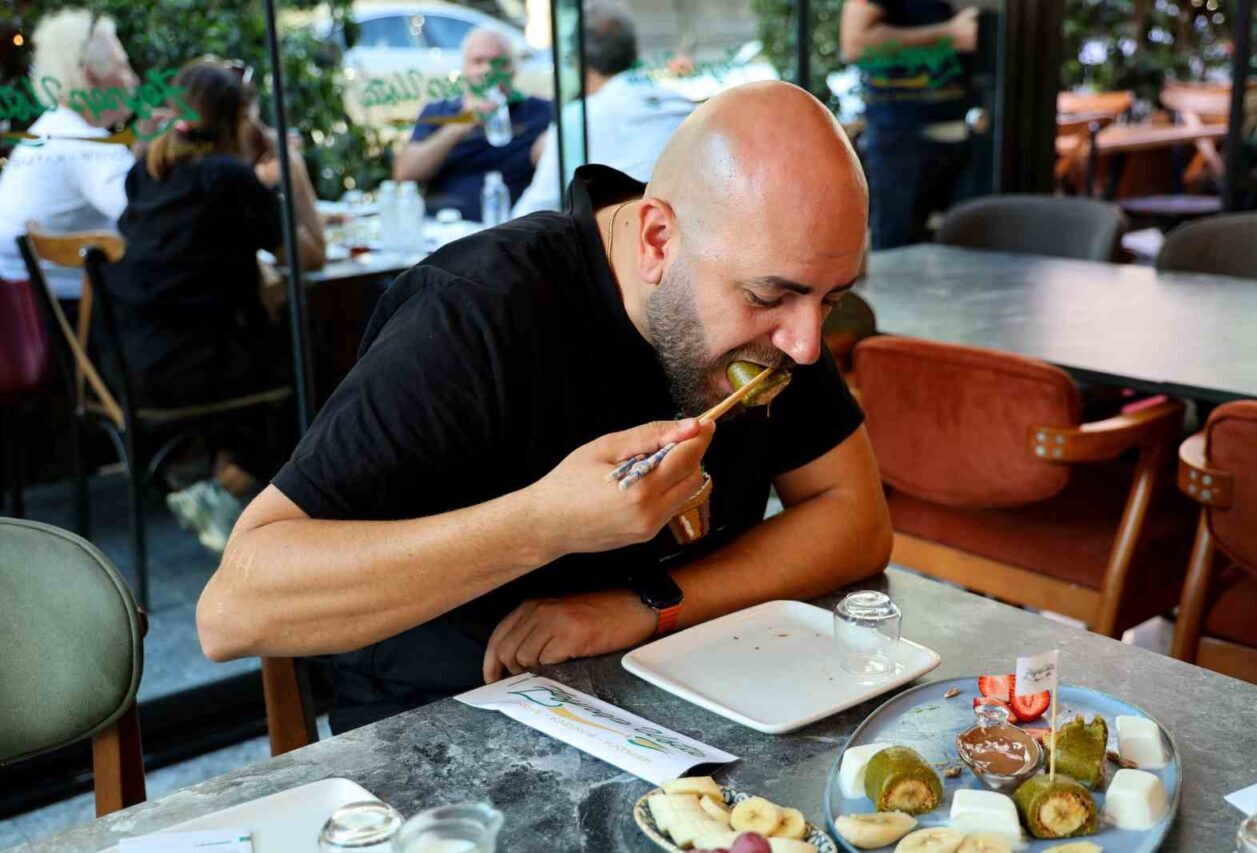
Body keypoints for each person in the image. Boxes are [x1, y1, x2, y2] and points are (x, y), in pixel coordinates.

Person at [197, 81, 892, 734]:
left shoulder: (778, 306)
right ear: (658, 240)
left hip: (686, 693)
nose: (806, 345)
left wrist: (646, 605)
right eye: (769, 297)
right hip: (450, 727)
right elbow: (232, 611)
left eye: (830, 299)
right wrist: (542, 524)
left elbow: (855, 518)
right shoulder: (471, 314)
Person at [102, 59, 326, 552]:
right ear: (238, 119)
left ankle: (218, 477)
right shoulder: (228, 177)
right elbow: (312, 254)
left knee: (264, 327)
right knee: (311, 337)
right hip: (196, 368)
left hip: (131, 363)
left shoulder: (148, 172)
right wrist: (293, 168)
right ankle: (240, 483)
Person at [0, 9, 139, 302]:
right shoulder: (87, 143)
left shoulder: (54, 128)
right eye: (124, 66)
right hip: (67, 315)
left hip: (24, 313)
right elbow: (152, 218)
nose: (134, 80)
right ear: (91, 75)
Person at [510, 1, 695, 217]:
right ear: (634, 51)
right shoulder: (680, 105)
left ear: (576, 60)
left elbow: (532, 211)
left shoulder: (579, 118)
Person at [840, 0, 978, 249]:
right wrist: (947, 35)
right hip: (900, 138)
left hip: (965, 133)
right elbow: (855, 44)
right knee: (897, 250)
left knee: (966, 246)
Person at [392, 28, 553, 221]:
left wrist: (547, 148)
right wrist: (461, 125)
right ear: (465, 69)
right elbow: (405, 173)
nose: (488, 70)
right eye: (478, 61)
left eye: (499, 63)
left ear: (513, 70)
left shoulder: (540, 112)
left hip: (513, 228)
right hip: (445, 225)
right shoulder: (438, 112)